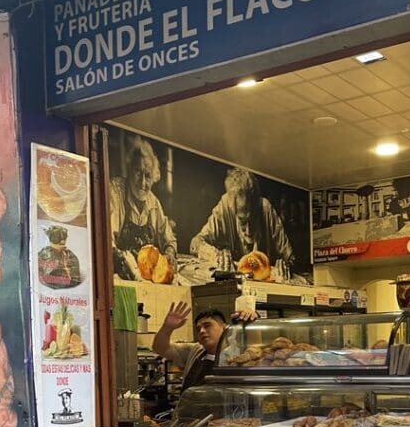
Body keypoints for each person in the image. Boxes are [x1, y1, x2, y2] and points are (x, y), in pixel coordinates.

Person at [190, 167, 294, 271]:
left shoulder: (265, 208)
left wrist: (284, 265)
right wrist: (216, 255)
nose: (248, 230)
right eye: (242, 221)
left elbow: (290, 257)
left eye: (251, 219)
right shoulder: (224, 207)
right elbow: (195, 243)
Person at [110, 135, 178, 281]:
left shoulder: (154, 203)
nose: (142, 182)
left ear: (153, 178)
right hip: (122, 277)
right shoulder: (116, 192)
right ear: (129, 169)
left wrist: (170, 254)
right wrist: (120, 259)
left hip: (148, 278)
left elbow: (169, 240)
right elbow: (109, 241)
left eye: (147, 176)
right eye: (137, 172)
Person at [152, 301, 257, 392]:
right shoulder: (194, 351)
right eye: (198, 329)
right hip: (189, 414)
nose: (202, 331)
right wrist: (167, 327)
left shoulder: (239, 355)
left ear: (224, 328)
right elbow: (160, 348)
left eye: (207, 326)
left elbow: (258, 347)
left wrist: (251, 318)